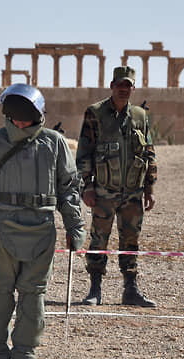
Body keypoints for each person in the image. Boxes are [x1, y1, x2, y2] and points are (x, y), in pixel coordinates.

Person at [0, 83, 86, 359]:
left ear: (38, 114)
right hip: (4, 227)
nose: (20, 123)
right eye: (14, 117)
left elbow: (69, 189)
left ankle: (26, 353)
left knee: (34, 294)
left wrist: (74, 226)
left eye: (25, 117)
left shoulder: (54, 143)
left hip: (42, 228)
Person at [76, 66, 158, 307]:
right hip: (103, 191)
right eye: (120, 85)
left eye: (128, 86)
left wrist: (149, 188)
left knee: (131, 239)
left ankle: (130, 290)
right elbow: (84, 152)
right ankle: (94, 289)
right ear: (112, 86)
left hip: (133, 191)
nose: (124, 89)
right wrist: (86, 186)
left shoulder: (140, 116)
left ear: (133, 88)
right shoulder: (95, 113)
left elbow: (149, 153)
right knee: (99, 239)